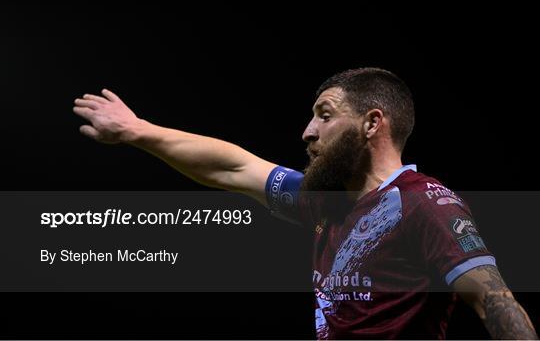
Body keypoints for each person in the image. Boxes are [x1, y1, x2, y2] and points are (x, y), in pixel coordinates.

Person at [73, 67, 538, 339]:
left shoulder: (426, 204)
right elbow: (233, 168)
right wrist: (137, 131)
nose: (307, 132)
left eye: (324, 115)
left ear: (372, 123)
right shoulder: (325, 202)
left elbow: (492, 301)